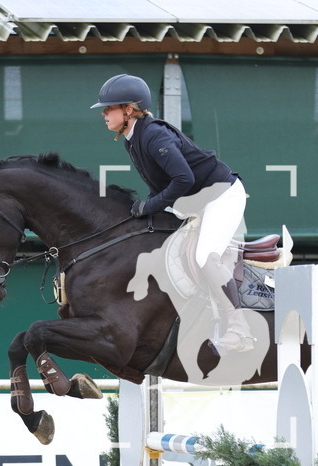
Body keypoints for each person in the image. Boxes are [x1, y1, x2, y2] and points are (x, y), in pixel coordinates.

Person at [91, 73, 254, 353]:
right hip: (198, 200)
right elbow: (161, 184)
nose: (104, 113)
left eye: (109, 108)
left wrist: (149, 205)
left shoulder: (153, 135)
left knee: (204, 256)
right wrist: (147, 207)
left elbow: (183, 179)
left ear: (129, 110)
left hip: (221, 196)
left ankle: (240, 330)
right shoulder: (132, 139)